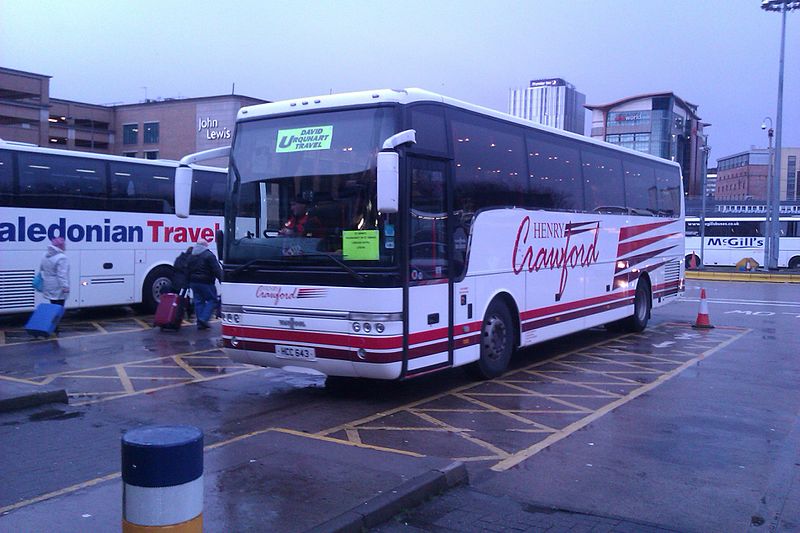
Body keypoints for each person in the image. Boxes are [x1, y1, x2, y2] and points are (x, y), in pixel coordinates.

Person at [187, 238, 223, 330]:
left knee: (198, 301)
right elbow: (216, 269)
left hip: (194, 282)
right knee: (212, 300)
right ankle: (204, 319)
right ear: (205, 246)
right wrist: (222, 280)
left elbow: (187, 269)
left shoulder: (191, 255)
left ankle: (200, 322)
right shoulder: (209, 255)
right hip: (206, 282)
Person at [40, 237, 69, 306]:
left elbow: (42, 268)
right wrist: (65, 287)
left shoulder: (45, 255)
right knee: (58, 307)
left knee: (52, 305)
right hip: (57, 286)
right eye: (64, 244)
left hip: (48, 284)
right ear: (61, 245)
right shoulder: (62, 257)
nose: (65, 246)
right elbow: (62, 275)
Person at [172, 246, 194, 319]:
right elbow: (188, 271)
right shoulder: (189, 260)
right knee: (184, 298)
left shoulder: (179, 258)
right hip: (183, 282)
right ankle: (187, 312)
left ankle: (176, 312)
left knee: (179, 298)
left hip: (175, 281)